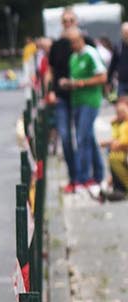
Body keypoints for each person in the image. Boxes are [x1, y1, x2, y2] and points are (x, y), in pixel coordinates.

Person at [64, 29, 106, 193]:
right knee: (88, 138)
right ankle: (98, 175)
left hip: (90, 101)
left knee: (82, 139)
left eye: (75, 42)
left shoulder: (91, 53)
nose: (73, 45)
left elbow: (102, 77)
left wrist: (81, 83)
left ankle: (83, 178)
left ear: (81, 40)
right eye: (71, 43)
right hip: (77, 102)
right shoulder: (73, 57)